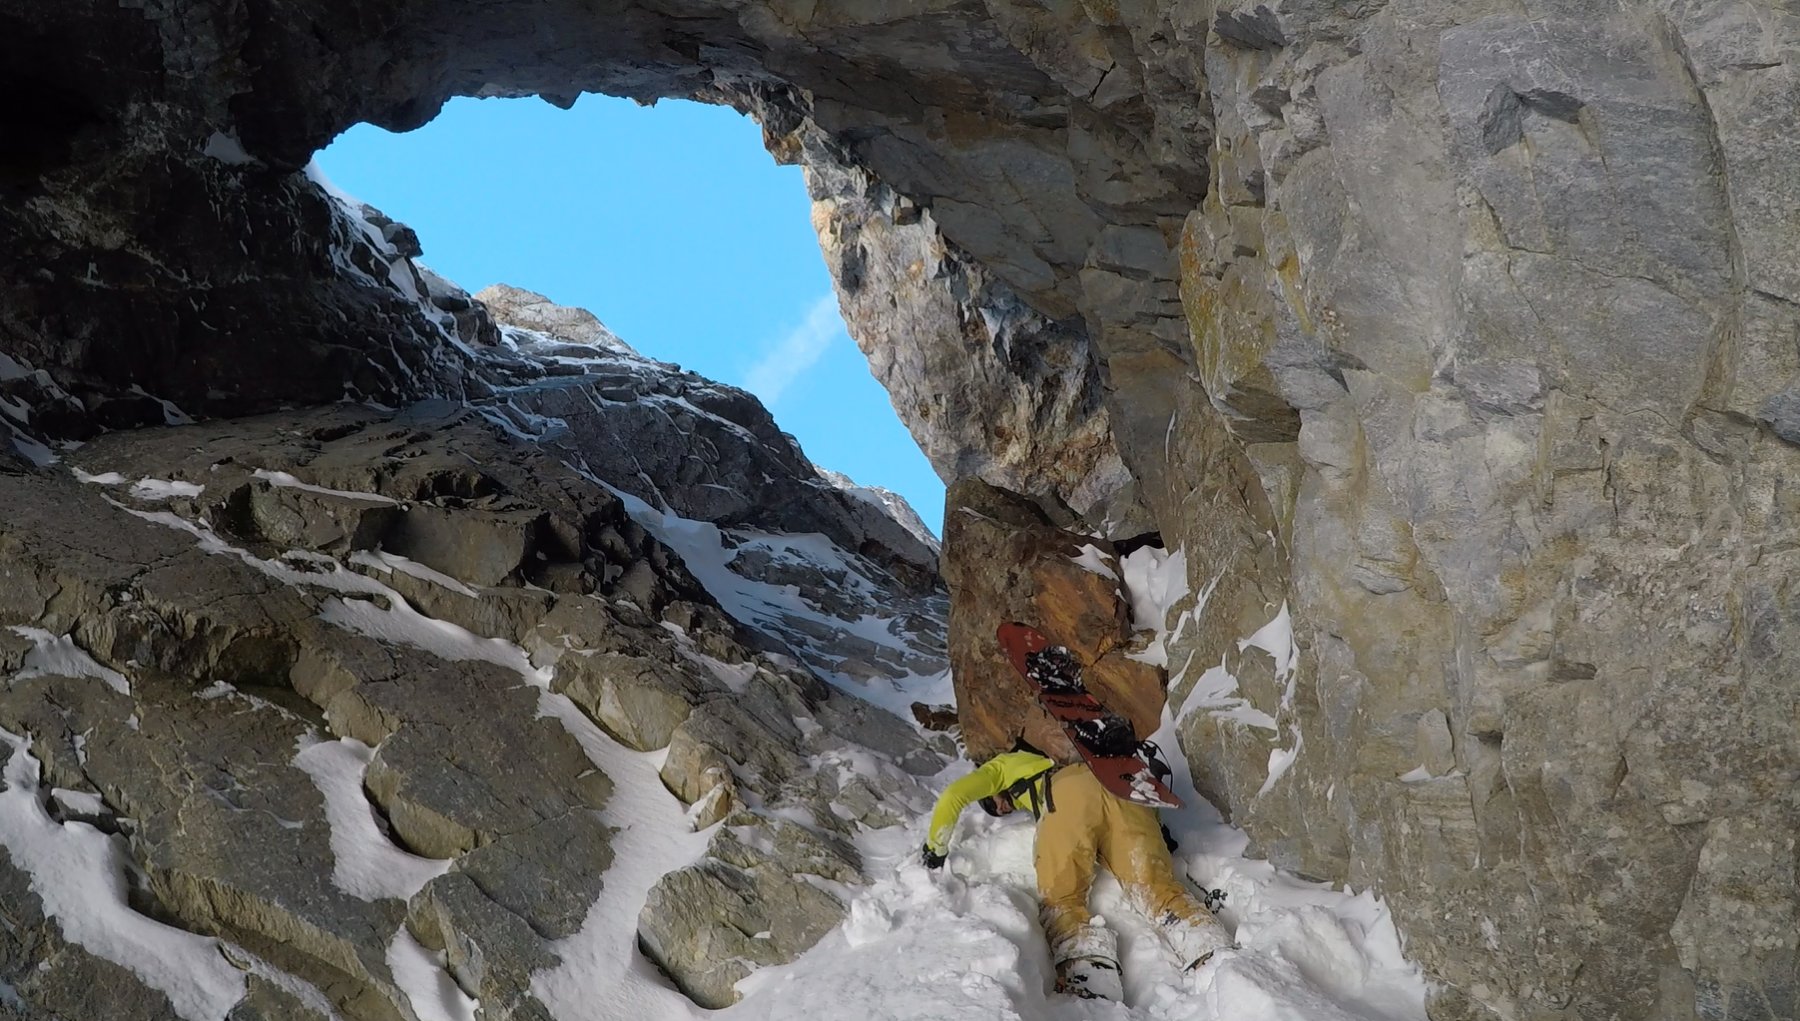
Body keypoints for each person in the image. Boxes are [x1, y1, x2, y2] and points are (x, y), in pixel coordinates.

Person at [921, 741, 1233, 997]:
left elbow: (953, 796)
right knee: (1157, 888)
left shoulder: (1002, 765)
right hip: (1123, 788)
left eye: (992, 803)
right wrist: (1158, 831)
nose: (1000, 809)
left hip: (1068, 793)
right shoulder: (1057, 753)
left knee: (1062, 898)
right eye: (996, 812)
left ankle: (1088, 976)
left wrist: (934, 850)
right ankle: (1211, 950)